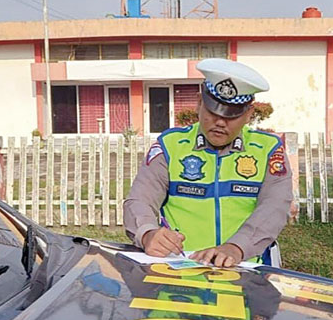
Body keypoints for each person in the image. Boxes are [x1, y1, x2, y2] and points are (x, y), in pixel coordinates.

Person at [123, 58, 293, 267]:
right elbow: (139, 200)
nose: (220, 122)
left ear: (249, 114)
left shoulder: (268, 149)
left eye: (232, 114)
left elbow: (274, 207)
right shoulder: (170, 145)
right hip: (180, 272)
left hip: (247, 270)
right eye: (213, 111)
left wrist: (236, 248)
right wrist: (147, 233)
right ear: (199, 103)